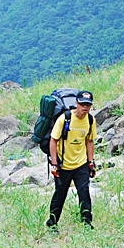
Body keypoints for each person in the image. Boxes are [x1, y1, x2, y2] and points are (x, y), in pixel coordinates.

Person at [47, 90, 97, 230]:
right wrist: (55, 163)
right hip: (63, 165)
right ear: (76, 103)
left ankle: (87, 223)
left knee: (84, 193)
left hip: (81, 164)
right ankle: (52, 223)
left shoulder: (90, 120)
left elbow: (89, 141)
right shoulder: (64, 119)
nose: (85, 107)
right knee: (60, 195)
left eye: (88, 105)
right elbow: (53, 140)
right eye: (82, 104)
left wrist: (91, 162)